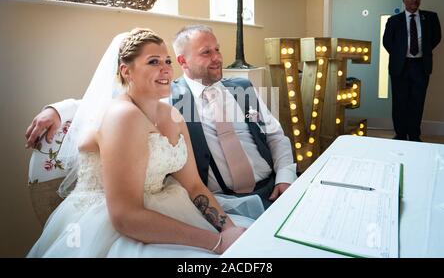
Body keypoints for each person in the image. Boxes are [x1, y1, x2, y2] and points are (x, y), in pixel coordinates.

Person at [28, 28, 254, 257]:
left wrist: (229, 231)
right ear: (126, 71)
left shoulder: (173, 115)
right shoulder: (122, 116)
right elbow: (125, 217)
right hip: (115, 226)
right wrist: (217, 242)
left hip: (168, 208)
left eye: (167, 60)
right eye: (153, 61)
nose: (166, 68)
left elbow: (195, 186)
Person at [26, 25, 297, 211]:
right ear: (182, 61)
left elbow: (276, 136)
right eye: (206, 53)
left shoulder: (244, 88)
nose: (217, 58)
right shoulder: (167, 98)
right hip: (223, 201)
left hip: (275, 189)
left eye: (217, 49)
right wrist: (60, 109)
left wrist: (285, 176)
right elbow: (111, 100)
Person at [383, 0, 441, 142]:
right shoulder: (394, 20)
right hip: (400, 66)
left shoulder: (430, 17)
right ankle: (400, 134)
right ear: (404, 1)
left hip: (421, 66)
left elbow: (436, 38)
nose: (414, 0)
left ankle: (414, 135)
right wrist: (400, 54)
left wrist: (424, 51)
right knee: (399, 102)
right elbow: (387, 42)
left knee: (417, 101)